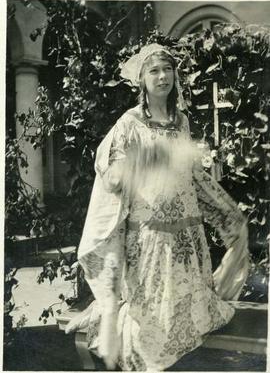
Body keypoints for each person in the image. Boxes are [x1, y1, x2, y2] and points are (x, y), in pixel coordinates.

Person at [66, 43, 249, 371]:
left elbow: (193, 177)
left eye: (168, 69)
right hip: (150, 240)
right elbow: (111, 174)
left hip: (187, 241)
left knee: (191, 321)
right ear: (142, 80)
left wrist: (228, 214)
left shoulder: (182, 122)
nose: (163, 76)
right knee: (151, 335)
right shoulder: (130, 122)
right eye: (154, 70)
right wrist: (148, 160)